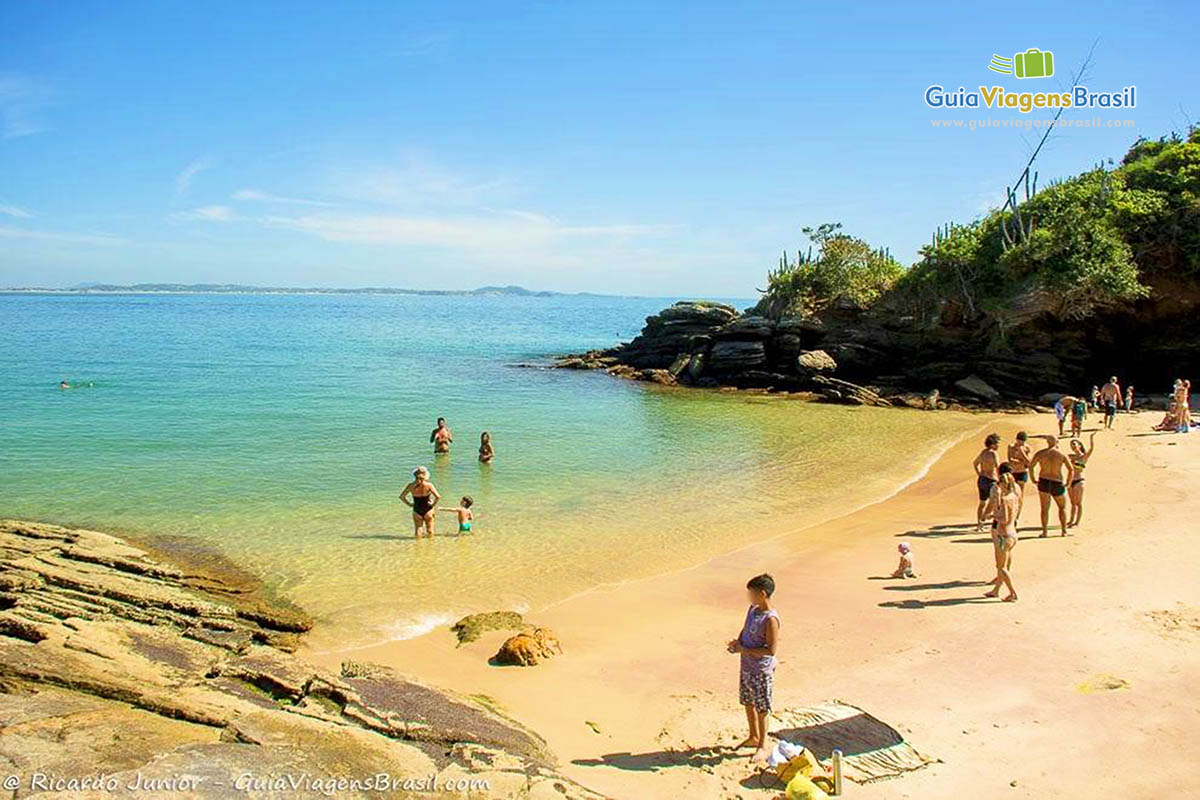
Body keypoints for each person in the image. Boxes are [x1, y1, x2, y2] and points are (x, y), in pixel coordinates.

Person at [727, 573, 780, 762]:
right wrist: (738, 643)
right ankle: (753, 736)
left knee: (762, 707)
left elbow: (771, 650)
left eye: (753, 593)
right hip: (747, 665)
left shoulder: (771, 619)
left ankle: (763, 745)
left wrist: (745, 649)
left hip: (761, 670)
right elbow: (745, 628)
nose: (750, 597)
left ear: (763, 594)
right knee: (748, 702)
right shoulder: (753, 609)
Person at [982, 463, 1021, 602]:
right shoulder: (1015, 496)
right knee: (1004, 564)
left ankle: (1013, 593)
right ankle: (996, 590)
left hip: (1004, 535)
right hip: (1013, 533)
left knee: (1001, 567)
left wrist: (991, 516)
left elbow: (1003, 519)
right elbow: (1013, 515)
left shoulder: (1005, 499)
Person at [1029, 436, 1075, 537]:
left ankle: (1045, 532)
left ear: (1047, 442)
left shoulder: (1041, 453)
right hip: (1057, 482)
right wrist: (1068, 482)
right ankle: (1064, 531)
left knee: (1044, 508)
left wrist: (1033, 479)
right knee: (1062, 507)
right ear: (1056, 442)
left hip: (1044, 481)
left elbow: (1031, 466)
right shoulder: (1061, 454)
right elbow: (1071, 470)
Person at [399, 466, 441, 538]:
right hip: (428, 509)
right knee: (430, 529)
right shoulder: (429, 485)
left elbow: (402, 497)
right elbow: (438, 497)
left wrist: (409, 504)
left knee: (418, 529)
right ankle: (431, 546)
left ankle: (418, 546)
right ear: (425, 475)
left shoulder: (410, 486)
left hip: (417, 509)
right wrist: (433, 504)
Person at [973, 433, 1002, 531]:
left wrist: (979, 474)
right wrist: (1001, 480)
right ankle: (984, 520)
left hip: (982, 479)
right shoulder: (994, 454)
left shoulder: (983, 452)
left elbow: (975, 463)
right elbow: (998, 467)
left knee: (982, 503)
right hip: (991, 480)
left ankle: (979, 525)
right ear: (992, 444)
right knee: (995, 503)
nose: (998, 445)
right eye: (997, 443)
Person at [1068, 433, 1096, 528]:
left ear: (1079, 446)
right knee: (1072, 503)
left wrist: (1091, 438)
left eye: (1074, 444)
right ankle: (1071, 520)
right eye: (1072, 445)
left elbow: (1091, 449)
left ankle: (1077, 522)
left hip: (1079, 480)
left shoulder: (1083, 457)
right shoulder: (1071, 456)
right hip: (1071, 480)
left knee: (1078, 503)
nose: (1073, 447)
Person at [1006, 431, 1033, 502]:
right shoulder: (1011, 446)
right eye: (1019, 441)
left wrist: (1022, 452)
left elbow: (1029, 462)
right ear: (1016, 439)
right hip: (1013, 471)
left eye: (1023, 442)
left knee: (1020, 492)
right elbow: (1010, 460)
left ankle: (1019, 507)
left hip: (1022, 472)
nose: (1021, 443)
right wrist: (1021, 461)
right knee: (1011, 491)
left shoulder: (1027, 448)